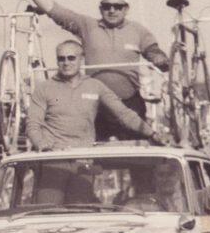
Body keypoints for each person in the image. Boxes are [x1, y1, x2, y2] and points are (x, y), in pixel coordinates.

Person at [9, 0, 170, 141]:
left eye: (118, 6)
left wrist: (159, 58)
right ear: (101, 9)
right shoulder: (87, 26)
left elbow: (153, 51)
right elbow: (54, 10)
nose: (112, 10)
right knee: (93, 151)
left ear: (126, 9)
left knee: (136, 150)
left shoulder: (138, 31)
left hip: (130, 102)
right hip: (95, 104)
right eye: (107, 6)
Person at [26, 40, 167, 152]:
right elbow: (33, 124)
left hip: (84, 156)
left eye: (71, 58)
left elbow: (124, 114)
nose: (66, 63)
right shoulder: (44, 88)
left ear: (81, 59)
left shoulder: (95, 86)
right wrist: (40, 144)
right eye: (61, 59)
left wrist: (152, 134)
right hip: (53, 156)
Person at [127, 141, 210, 214]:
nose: (166, 178)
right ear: (155, 178)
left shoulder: (195, 199)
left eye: (171, 174)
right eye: (161, 175)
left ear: (179, 176)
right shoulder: (143, 203)